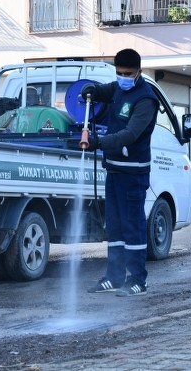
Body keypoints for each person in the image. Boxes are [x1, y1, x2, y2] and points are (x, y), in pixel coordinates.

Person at [81, 48, 159, 297]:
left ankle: (138, 280)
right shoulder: (117, 88)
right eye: (119, 73)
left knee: (132, 226)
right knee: (114, 226)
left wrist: (99, 142)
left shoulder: (146, 99)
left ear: (139, 72)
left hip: (133, 174)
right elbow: (104, 90)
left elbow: (130, 134)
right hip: (114, 170)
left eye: (128, 73)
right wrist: (90, 89)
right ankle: (114, 277)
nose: (123, 77)